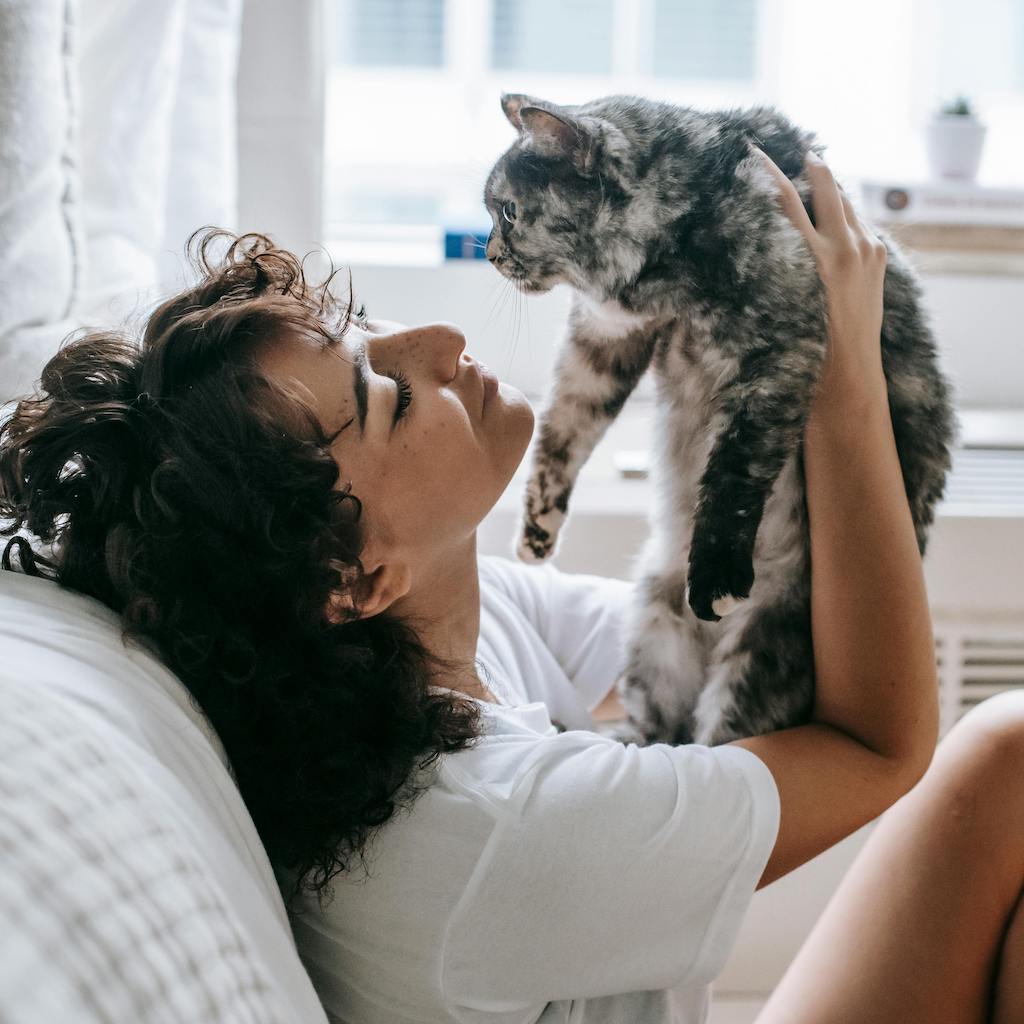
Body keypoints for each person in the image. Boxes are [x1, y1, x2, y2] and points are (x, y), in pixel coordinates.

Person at [1, 152, 1021, 1024]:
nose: (440, 343)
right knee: (1006, 754)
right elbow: (878, 745)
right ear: (354, 575)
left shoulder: (443, 646)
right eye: (386, 396)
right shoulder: (487, 833)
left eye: (366, 330)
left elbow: (732, 653)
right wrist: (839, 372)